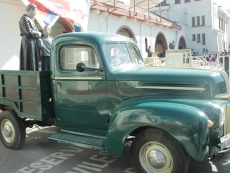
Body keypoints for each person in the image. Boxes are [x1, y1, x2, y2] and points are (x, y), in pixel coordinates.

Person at [19, 3, 41, 70]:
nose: (36, 13)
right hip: (28, 42)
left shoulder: (31, 20)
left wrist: (38, 33)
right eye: (35, 11)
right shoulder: (24, 19)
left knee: (33, 60)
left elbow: (36, 30)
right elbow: (28, 32)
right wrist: (38, 34)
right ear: (31, 9)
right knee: (28, 61)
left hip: (32, 42)